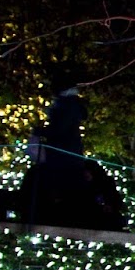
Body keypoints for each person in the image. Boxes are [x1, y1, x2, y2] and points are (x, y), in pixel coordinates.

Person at [25, 69, 89, 224]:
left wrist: (40, 131)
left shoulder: (67, 105)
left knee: (59, 185)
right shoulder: (68, 103)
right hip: (66, 154)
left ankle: (58, 217)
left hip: (62, 155)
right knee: (63, 185)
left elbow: (59, 129)